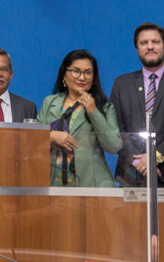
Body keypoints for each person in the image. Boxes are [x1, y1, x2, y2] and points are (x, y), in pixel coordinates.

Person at [39, 49, 122, 188]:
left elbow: (113, 146)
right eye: (76, 71)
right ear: (64, 75)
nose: (82, 77)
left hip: (92, 184)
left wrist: (93, 111)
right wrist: (51, 136)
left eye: (87, 72)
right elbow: (32, 141)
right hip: (54, 183)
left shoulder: (104, 106)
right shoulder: (49, 102)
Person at [110, 23, 164, 187]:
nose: (150, 47)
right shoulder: (121, 84)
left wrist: (155, 157)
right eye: (144, 43)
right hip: (131, 174)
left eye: (155, 42)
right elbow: (116, 129)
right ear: (137, 48)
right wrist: (139, 163)